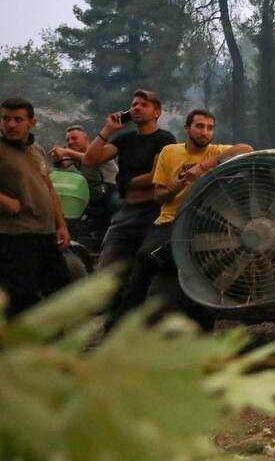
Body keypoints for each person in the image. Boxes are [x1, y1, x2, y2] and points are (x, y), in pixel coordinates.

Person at [116, 109, 252, 320]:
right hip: (171, 220)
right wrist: (181, 182)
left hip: (205, 223)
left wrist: (203, 167)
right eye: (199, 126)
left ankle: (202, 327)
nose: (204, 132)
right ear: (187, 128)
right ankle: (121, 323)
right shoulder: (170, 152)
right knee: (144, 260)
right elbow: (159, 197)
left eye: (210, 128)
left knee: (208, 273)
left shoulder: (217, 151)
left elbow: (246, 149)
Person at [83, 90, 176, 272]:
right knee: (106, 268)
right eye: (134, 105)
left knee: (144, 267)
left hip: (152, 213)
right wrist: (108, 129)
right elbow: (89, 160)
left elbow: (156, 175)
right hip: (125, 211)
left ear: (157, 112)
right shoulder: (125, 139)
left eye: (143, 104)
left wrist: (126, 183)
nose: (136, 108)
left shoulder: (165, 139)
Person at [0, 97, 71, 315]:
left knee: (61, 292)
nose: (10, 124)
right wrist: (4, 200)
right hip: (16, 235)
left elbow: (48, 188)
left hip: (46, 234)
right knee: (23, 299)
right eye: (5, 118)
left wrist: (61, 225)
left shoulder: (36, 150)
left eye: (18, 119)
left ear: (32, 122)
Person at [51, 125, 119, 249]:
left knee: (116, 207)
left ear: (85, 138)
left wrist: (67, 152)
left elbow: (89, 159)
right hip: (93, 194)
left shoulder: (97, 151)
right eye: (68, 140)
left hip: (112, 191)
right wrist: (58, 157)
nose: (70, 142)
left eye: (74, 138)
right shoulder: (76, 155)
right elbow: (64, 165)